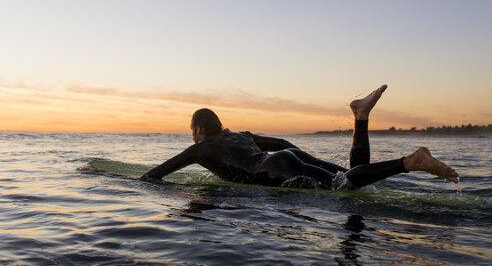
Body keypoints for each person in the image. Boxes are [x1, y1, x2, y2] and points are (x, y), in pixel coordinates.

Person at [140, 85, 459, 189]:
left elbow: (155, 175)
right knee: (346, 178)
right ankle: (360, 117)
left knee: (343, 187)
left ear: (197, 130)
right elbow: (280, 145)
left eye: (191, 131)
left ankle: (410, 161)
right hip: (284, 159)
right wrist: (302, 159)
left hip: (279, 168)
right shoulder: (240, 134)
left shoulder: (200, 148)